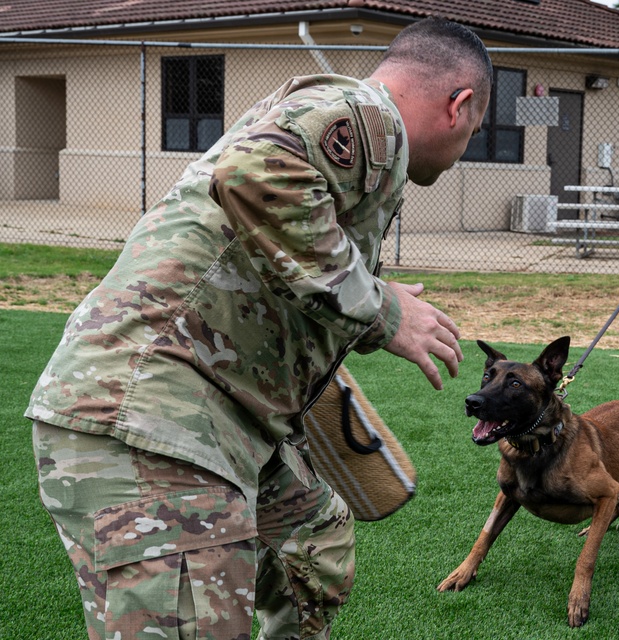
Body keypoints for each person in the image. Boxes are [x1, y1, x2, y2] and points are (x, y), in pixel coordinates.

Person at [25, 17, 492, 639]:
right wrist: (380, 308)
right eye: (477, 132)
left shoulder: (350, 130)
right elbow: (253, 172)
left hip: (220, 420)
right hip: (154, 422)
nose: (465, 153)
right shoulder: (366, 113)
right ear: (458, 105)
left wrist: (351, 309)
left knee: (315, 541)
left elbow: (281, 271)